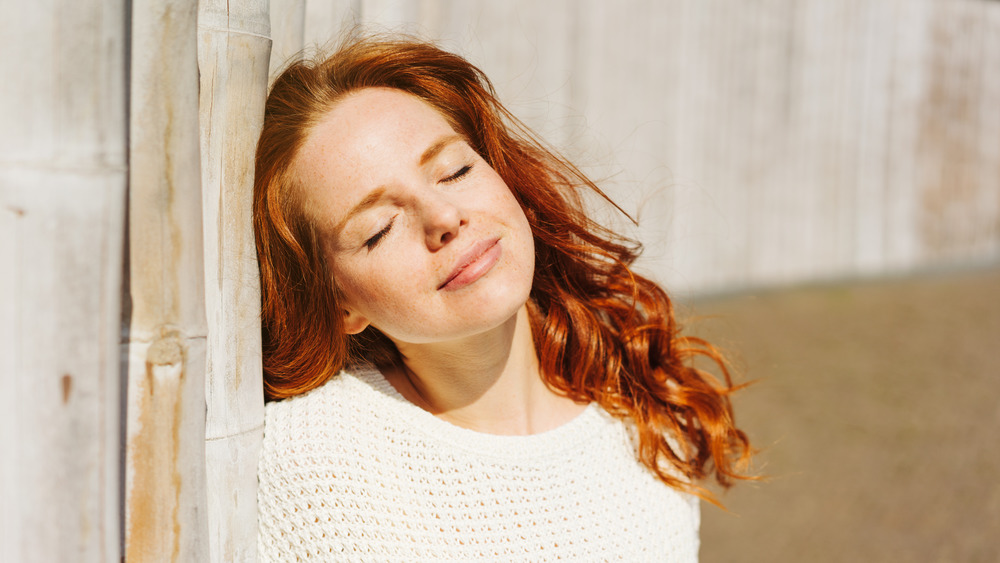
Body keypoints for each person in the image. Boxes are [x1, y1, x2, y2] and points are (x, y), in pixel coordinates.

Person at [253, 35, 753, 562]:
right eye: (379, 228)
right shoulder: (319, 471)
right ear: (339, 304)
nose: (445, 217)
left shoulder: (641, 402)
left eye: (455, 171)